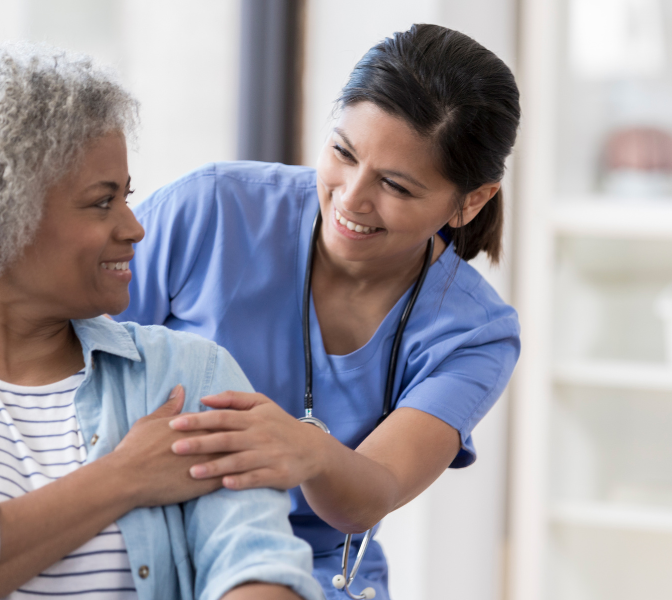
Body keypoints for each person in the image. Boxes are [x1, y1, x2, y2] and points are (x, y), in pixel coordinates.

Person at [0, 42, 322, 600]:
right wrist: (123, 477)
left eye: (126, 197)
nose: (135, 228)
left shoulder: (189, 373)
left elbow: (258, 567)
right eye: (101, 202)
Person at [116, 24, 522, 599]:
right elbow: (68, 351)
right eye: (342, 152)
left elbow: (367, 498)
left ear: (471, 200)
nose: (351, 198)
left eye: (397, 187)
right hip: (142, 533)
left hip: (311, 570)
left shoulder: (476, 334)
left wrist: (307, 451)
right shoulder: (213, 209)